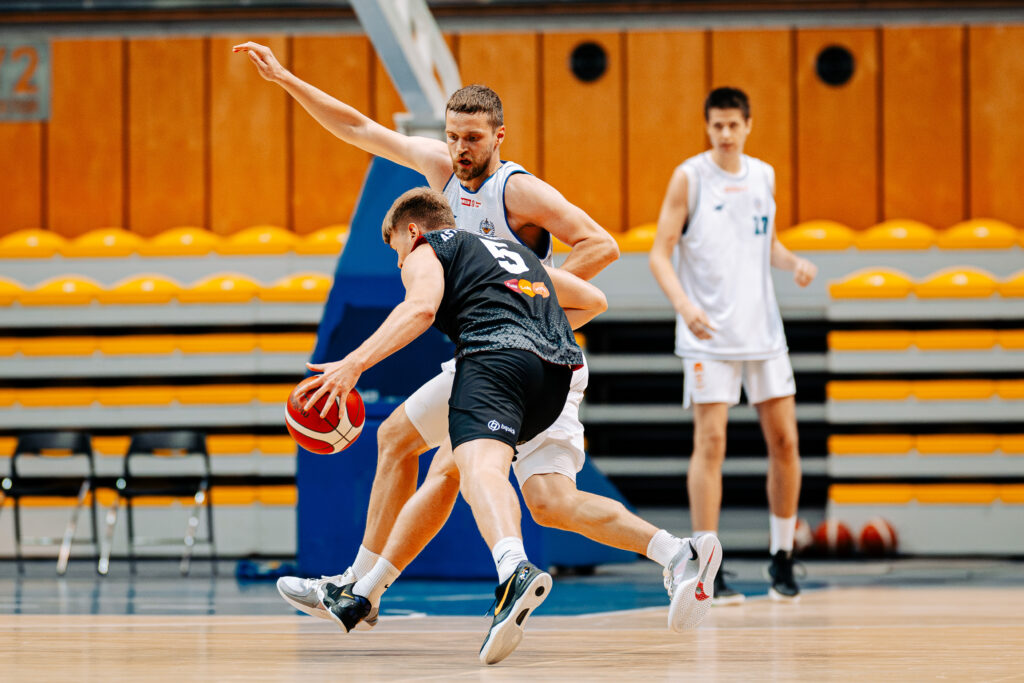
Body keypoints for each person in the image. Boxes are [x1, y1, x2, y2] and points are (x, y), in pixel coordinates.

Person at [233, 41, 721, 630]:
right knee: (535, 497)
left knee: (404, 443)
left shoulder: (518, 191)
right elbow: (360, 128)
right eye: (452, 137)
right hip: (516, 357)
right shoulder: (439, 170)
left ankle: (356, 585)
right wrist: (287, 79)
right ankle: (678, 553)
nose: (460, 149)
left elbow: (602, 245)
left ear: (499, 137)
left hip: (514, 350)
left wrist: (525, 297)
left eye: (472, 138)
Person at [648, 87, 817, 603]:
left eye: (733, 125)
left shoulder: (764, 175)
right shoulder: (690, 177)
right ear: (708, 127)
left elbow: (766, 242)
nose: (725, 133)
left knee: (785, 442)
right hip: (709, 336)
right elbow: (659, 252)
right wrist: (685, 306)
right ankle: (707, 564)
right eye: (716, 125)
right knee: (712, 443)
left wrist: (793, 263)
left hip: (763, 332)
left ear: (748, 125)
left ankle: (781, 556)